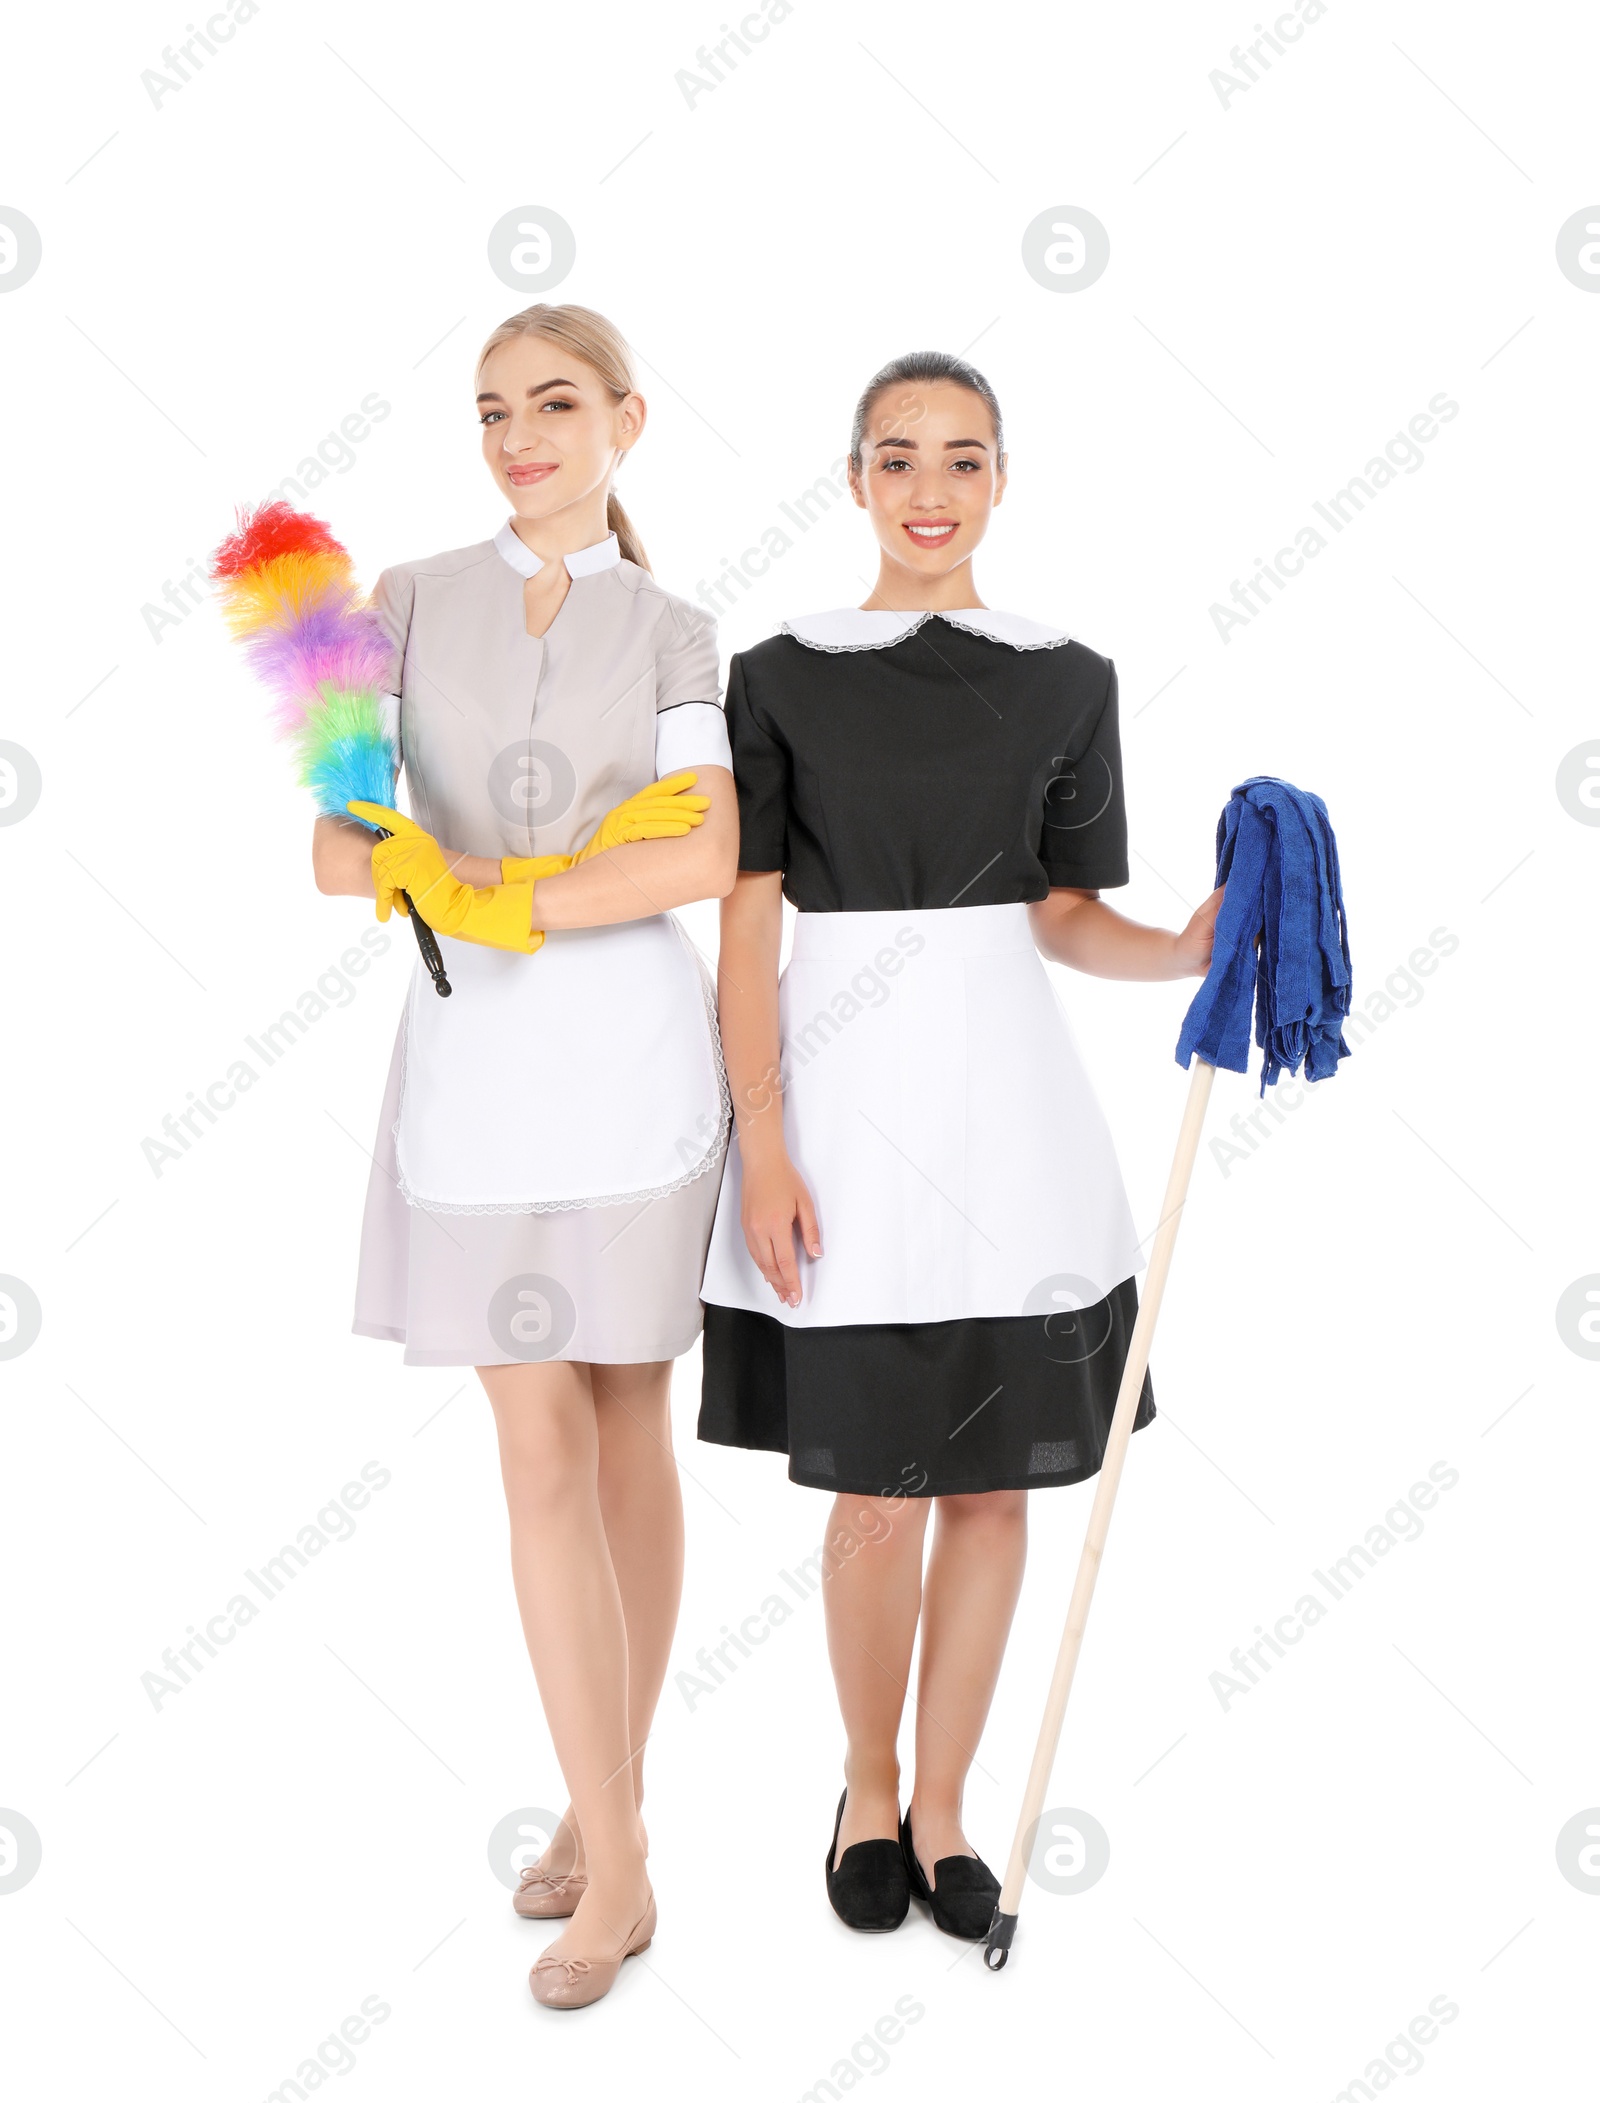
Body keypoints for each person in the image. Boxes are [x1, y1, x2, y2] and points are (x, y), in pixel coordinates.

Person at [698, 350, 1220, 1939]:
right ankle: (865, 1784)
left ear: (1003, 482)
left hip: (1014, 1115)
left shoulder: (1069, 677)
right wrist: (767, 1149)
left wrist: (1190, 950)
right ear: (853, 480)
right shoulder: (780, 673)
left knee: (992, 1490)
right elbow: (743, 927)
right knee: (875, 1491)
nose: (932, 490)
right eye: (900, 458)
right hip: (844, 1108)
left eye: (965, 460)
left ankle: (945, 1807)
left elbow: (1065, 916)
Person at [313, 303, 738, 2008]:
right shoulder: (395, 605)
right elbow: (343, 856)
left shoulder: (681, 628)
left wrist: (499, 891)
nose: (519, 436)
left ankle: (595, 1814)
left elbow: (705, 852)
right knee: (533, 1446)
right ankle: (623, 1867)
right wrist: (455, 872)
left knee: (628, 1423)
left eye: (554, 404)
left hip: (638, 1075)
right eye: (492, 411)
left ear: (628, 420)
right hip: (474, 1074)